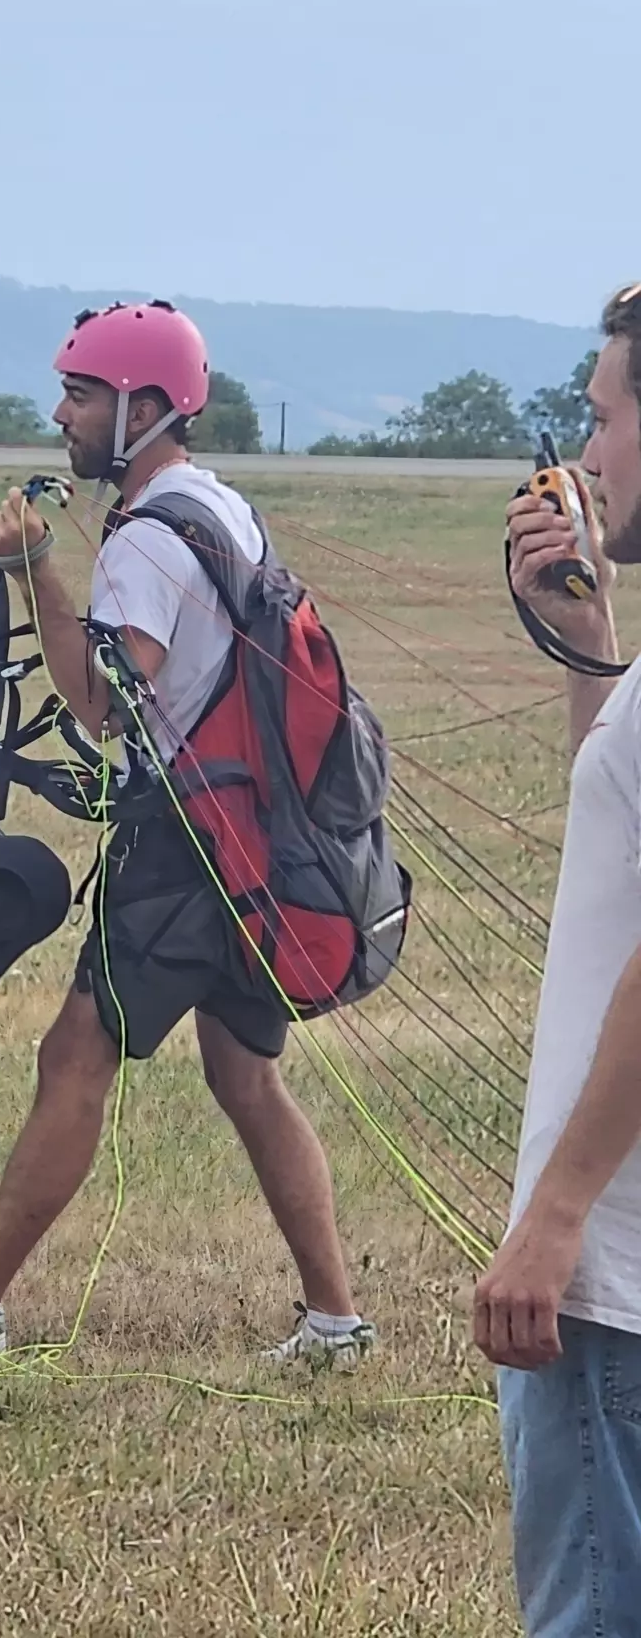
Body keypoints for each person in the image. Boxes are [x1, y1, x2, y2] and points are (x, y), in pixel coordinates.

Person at [0, 300, 375, 1366]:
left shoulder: (147, 542)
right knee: (244, 1076)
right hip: (251, 842)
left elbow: (96, 701)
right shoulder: (221, 507)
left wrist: (31, 566)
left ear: (141, 408)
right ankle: (333, 1321)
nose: (63, 415)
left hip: (185, 848)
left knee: (74, 1055)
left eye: (81, 396)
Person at [473, 283, 641, 1635]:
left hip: (621, 1286)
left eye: (604, 419)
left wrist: (559, 1216)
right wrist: (587, 643)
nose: (587, 458)